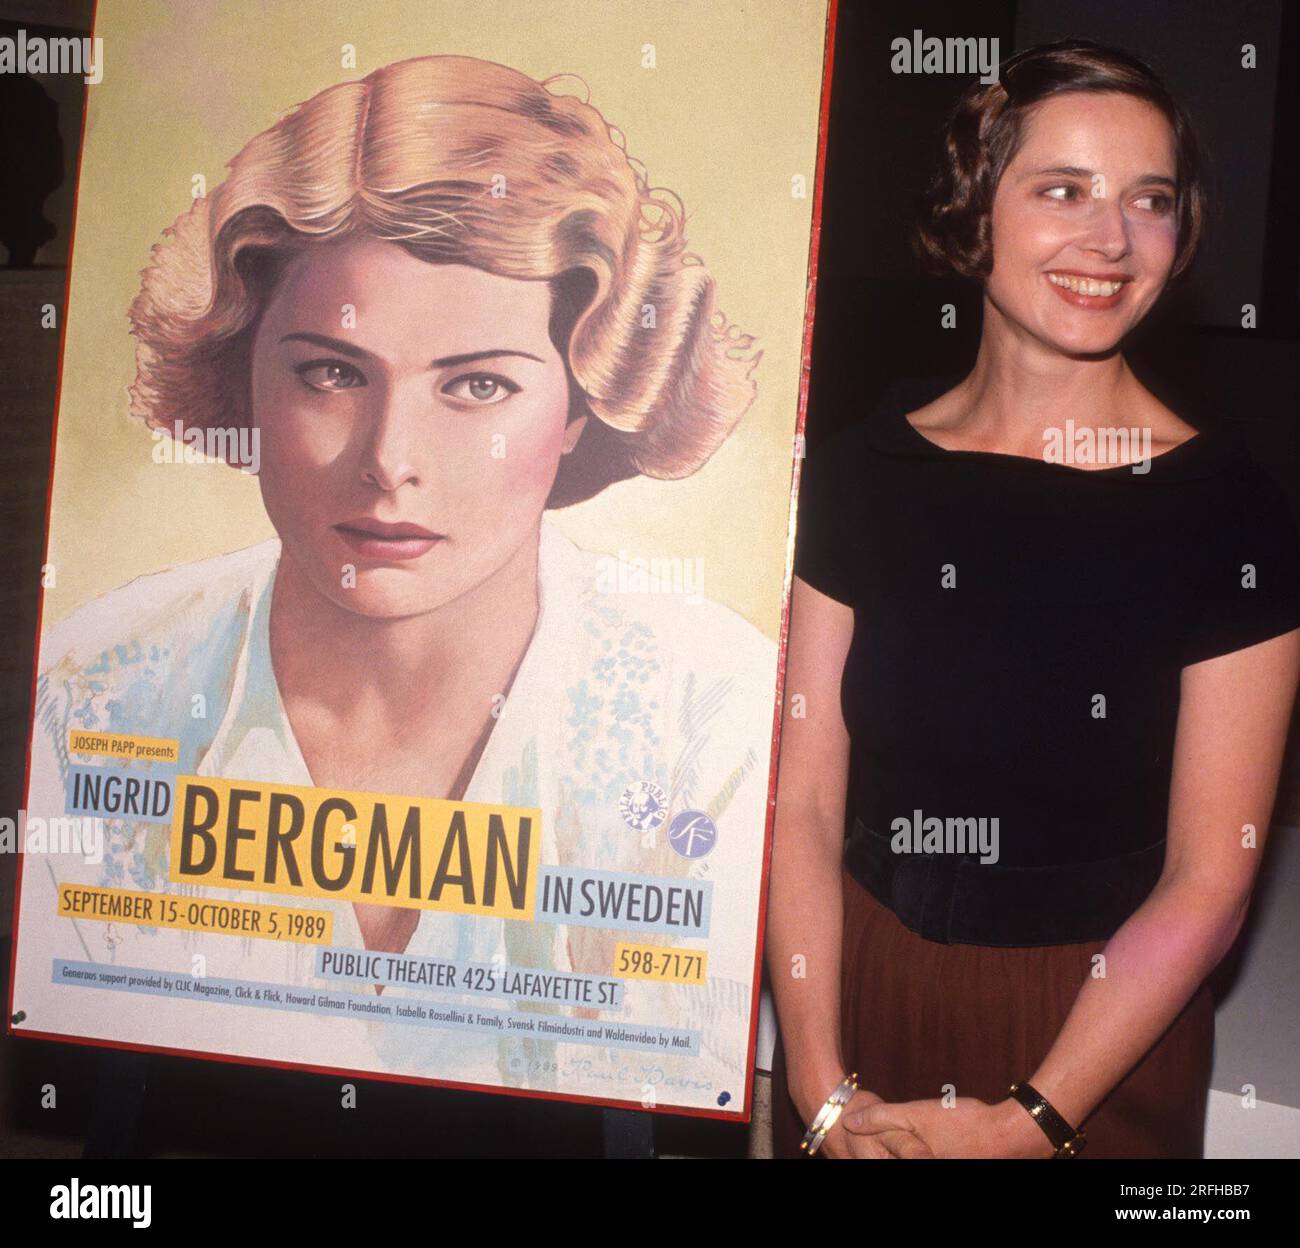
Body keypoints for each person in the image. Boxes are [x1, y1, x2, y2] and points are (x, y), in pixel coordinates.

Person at [18, 55, 774, 1110]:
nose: (389, 458)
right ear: (243, 374)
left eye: (476, 384)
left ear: (580, 408)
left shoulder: (716, 714)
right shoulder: (88, 691)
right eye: (331, 372)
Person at [768, 40, 1300, 1158]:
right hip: (858, 989)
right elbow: (805, 809)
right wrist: (818, 1086)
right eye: (1063, 189)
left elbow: (1211, 876)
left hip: (1098, 1040)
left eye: (1148, 202)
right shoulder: (859, 473)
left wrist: (1029, 1123)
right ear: (973, 209)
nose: (1110, 239)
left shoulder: (1229, 511)